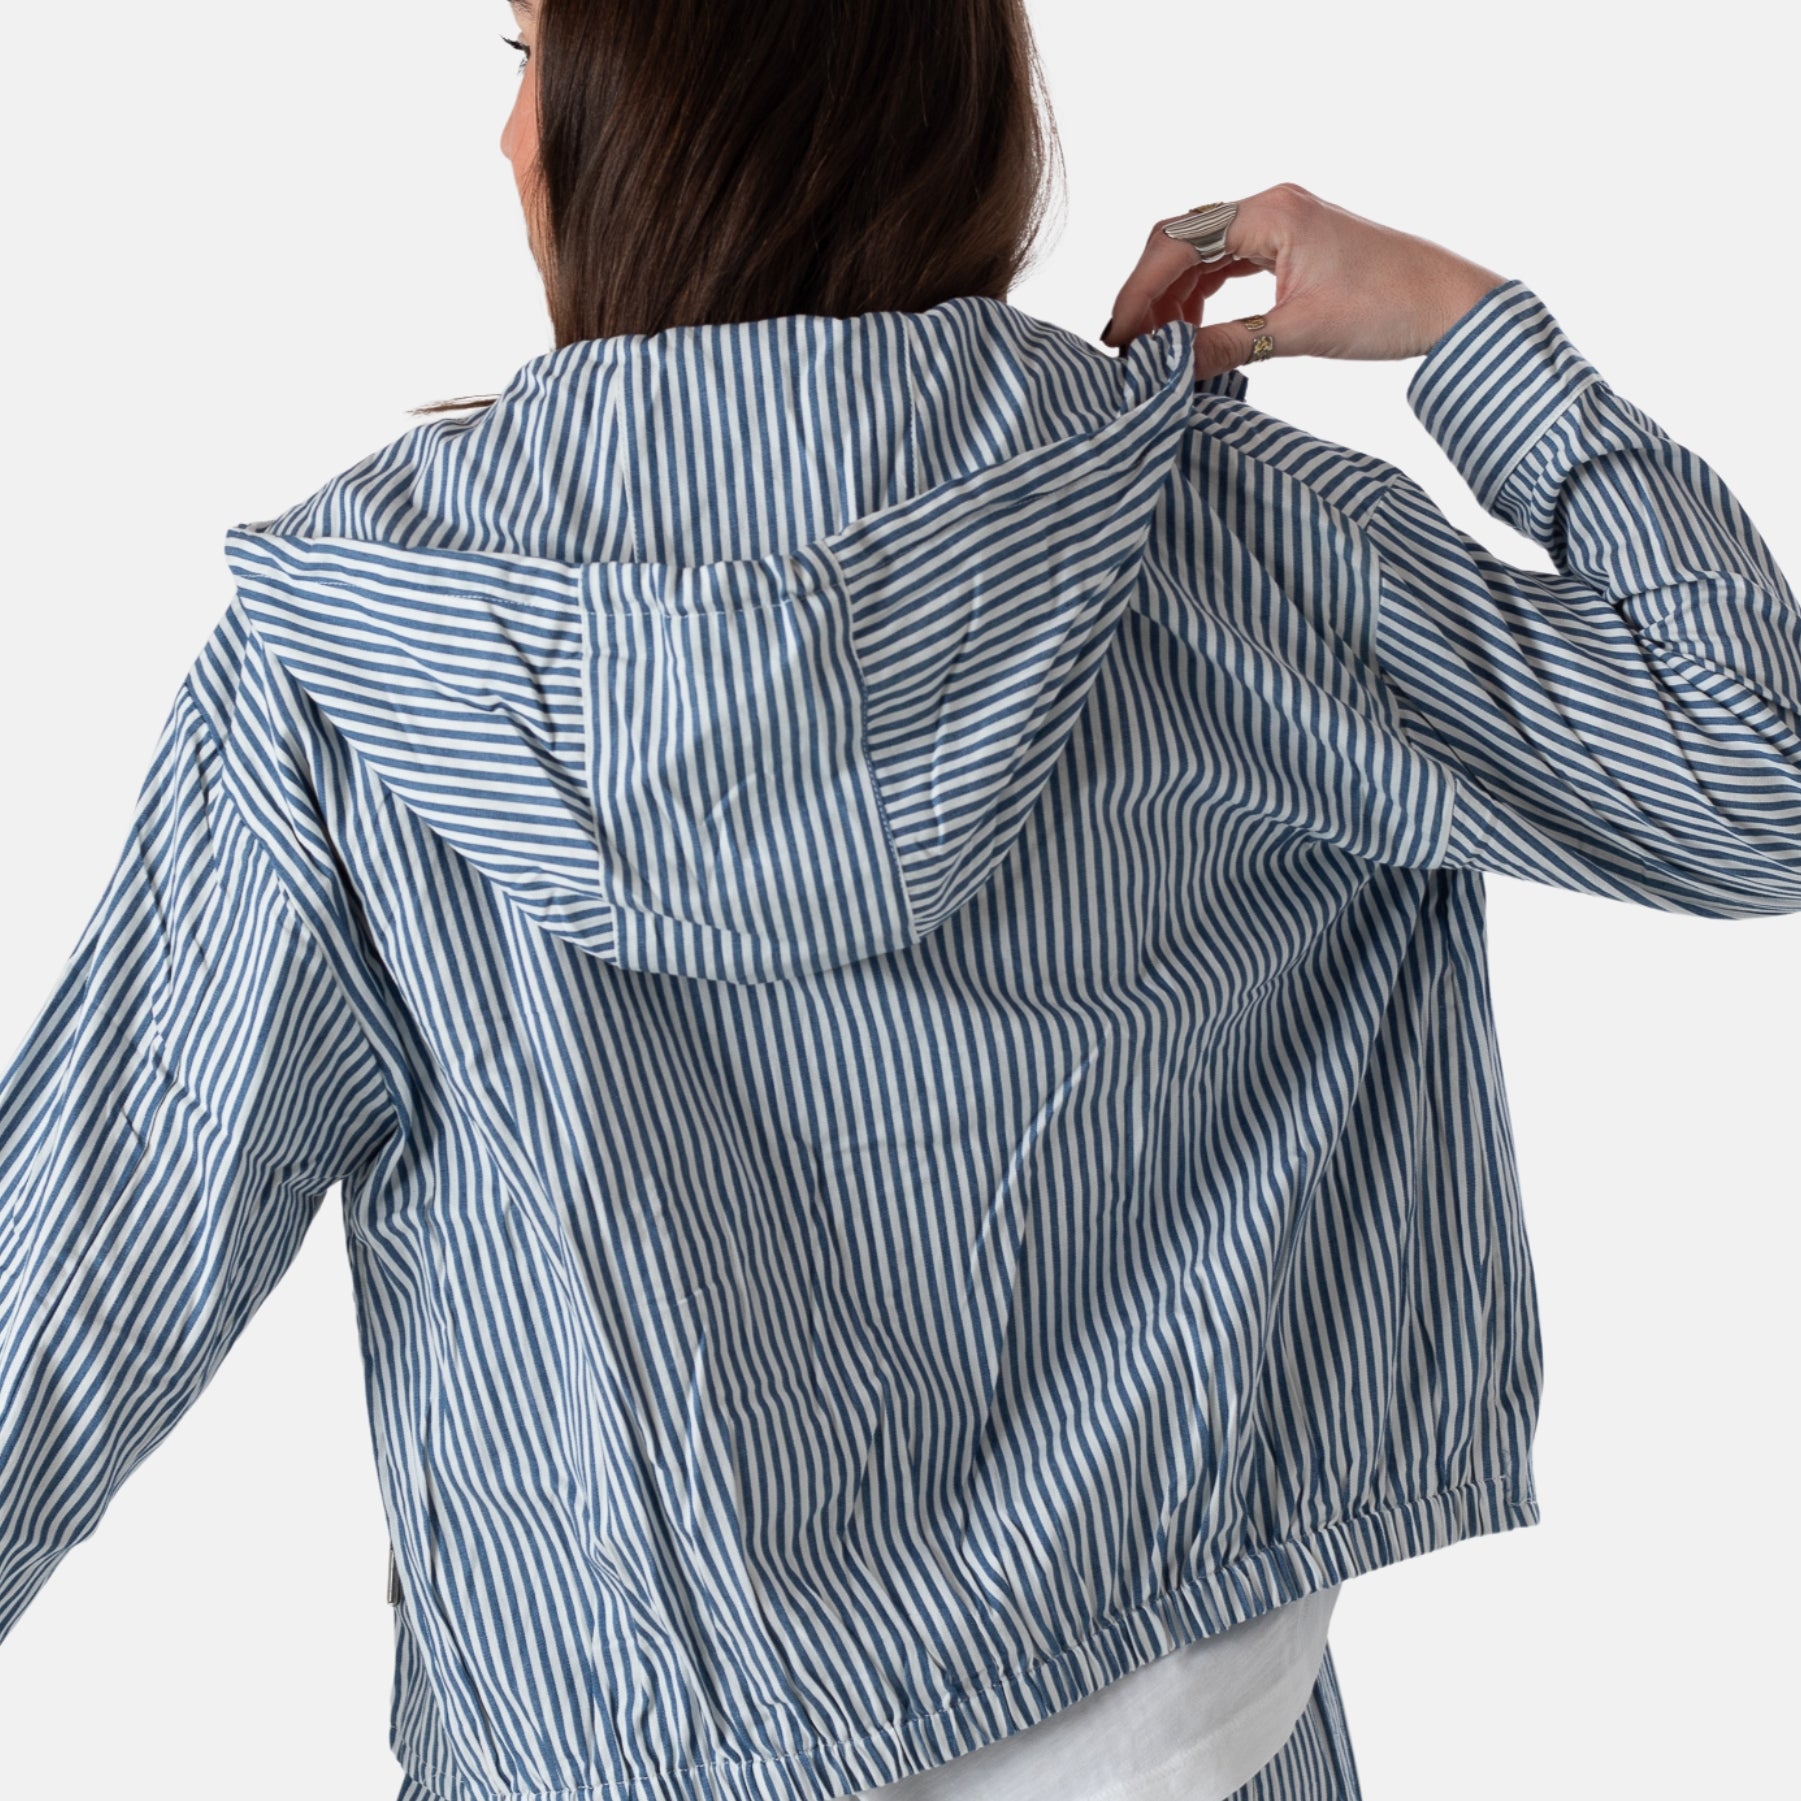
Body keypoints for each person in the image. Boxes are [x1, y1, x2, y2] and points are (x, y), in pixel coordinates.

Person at [2, 3, 1798, 1800]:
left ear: (654, 120)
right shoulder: (1207, 539)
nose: (508, 137)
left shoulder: (363, 660)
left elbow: (85, 1267)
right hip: (1189, 1739)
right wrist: (1467, 330)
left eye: (528, 58)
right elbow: (1749, 768)